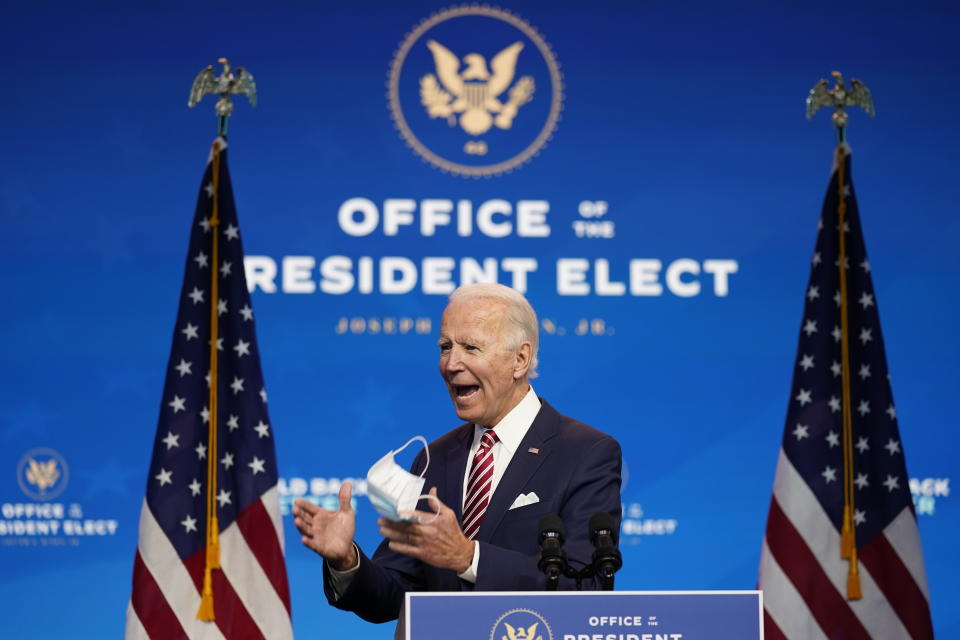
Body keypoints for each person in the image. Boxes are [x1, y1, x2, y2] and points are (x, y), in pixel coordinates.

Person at [293, 283, 622, 626]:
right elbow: (395, 594)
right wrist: (347, 560)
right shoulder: (435, 457)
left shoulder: (586, 453)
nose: (451, 364)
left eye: (471, 347)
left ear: (520, 359)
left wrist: (469, 557)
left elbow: (588, 589)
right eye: (445, 346)